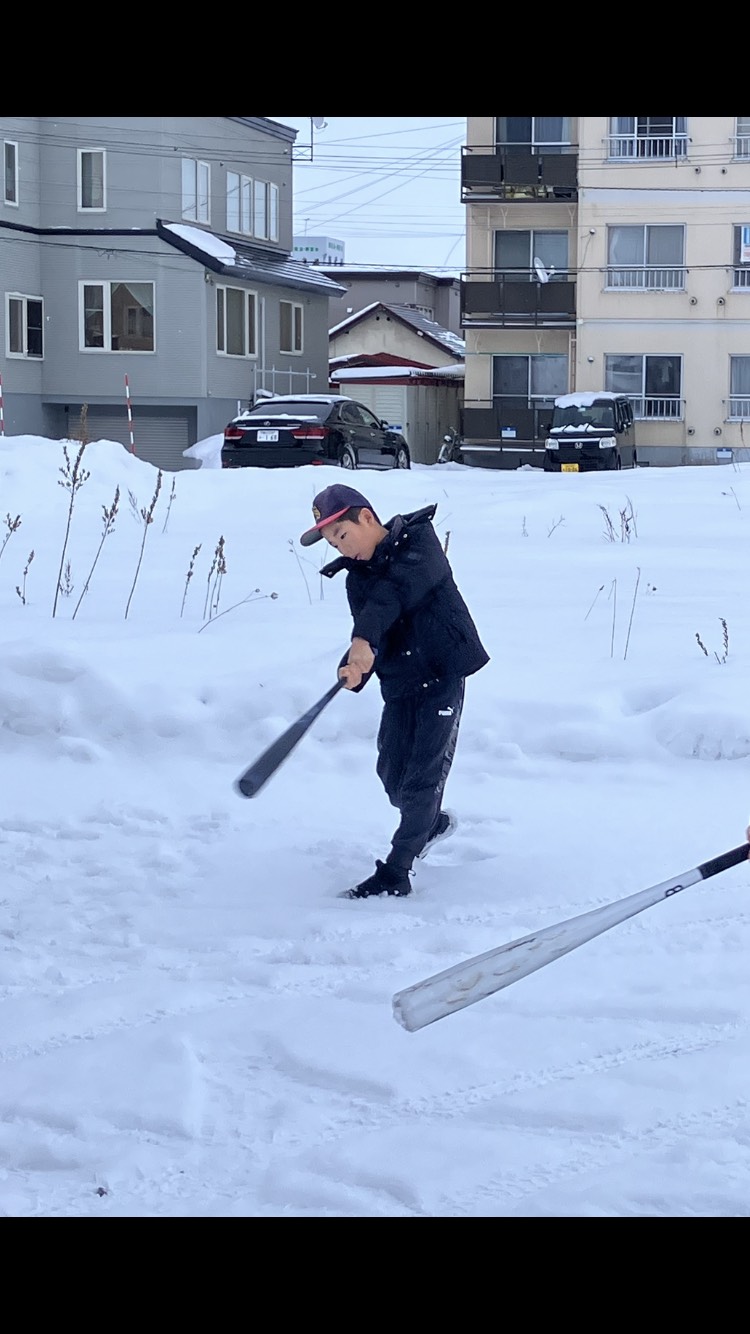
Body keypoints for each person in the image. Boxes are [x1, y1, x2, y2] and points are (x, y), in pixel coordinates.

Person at [299, 482, 489, 899]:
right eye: (333, 544)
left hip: (441, 675)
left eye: (343, 535)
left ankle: (396, 872)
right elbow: (376, 627)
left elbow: (392, 596)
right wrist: (355, 666)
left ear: (366, 517)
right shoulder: (357, 580)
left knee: (422, 780)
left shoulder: (420, 545)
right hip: (401, 683)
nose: (342, 549)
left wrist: (363, 638)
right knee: (392, 776)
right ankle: (429, 824)